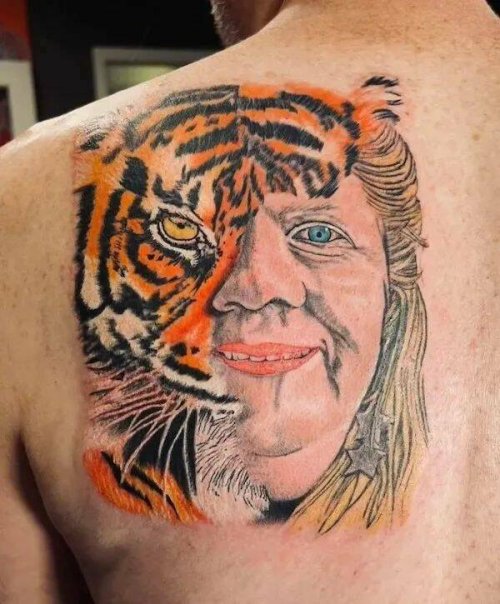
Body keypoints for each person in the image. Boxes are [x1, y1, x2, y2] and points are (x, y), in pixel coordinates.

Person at [0, 1, 498, 602]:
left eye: (318, 234)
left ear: (398, 268)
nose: (257, 287)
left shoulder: (24, 195)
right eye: (178, 231)